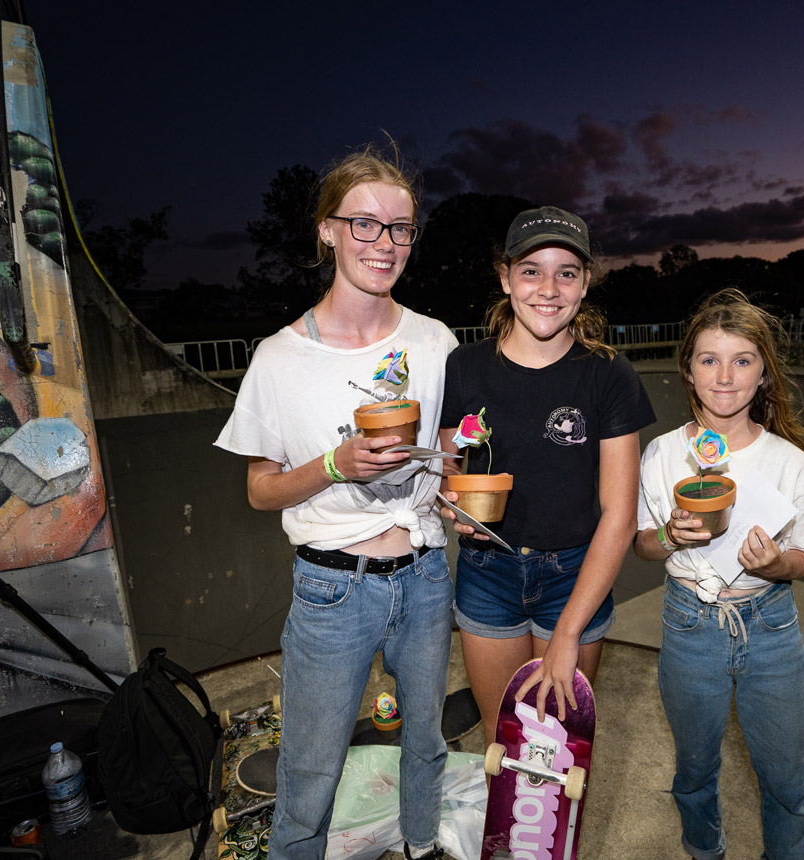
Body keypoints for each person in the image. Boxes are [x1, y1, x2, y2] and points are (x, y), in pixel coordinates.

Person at [215, 147, 457, 860]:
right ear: (327, 230)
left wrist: (458, 482)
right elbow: (260, 489)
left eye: (401, 228)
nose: (385, 244)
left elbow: (449, 456)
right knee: (312, 765)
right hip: (332, 590)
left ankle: (420, 845)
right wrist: (334, 465)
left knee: (426, 741)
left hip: (424, 576)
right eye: (365, 224)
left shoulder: (435, 342)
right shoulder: (278, 358)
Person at [633, 288, 804, 860]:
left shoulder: (790, 462)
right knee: (694, 771)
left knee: (786, 781)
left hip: (771, 628)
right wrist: (669, 536)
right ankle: (705, 851)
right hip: (688, 625)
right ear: (688, 370)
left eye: (742, 361)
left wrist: (777, 564)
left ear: (763, 374)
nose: (725, 377)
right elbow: (642, 546)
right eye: (709, 360)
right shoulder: (662, 454)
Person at [438, 205, 655, 741]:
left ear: (585, 284)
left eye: (567, 273)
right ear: (505, 277)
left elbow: (620, 515)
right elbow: (449, 468)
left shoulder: (609, 374)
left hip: (574, 578)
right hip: (488, 573)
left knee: (555, 747)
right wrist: (452, 503)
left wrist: (568, 631)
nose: (549, 289)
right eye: (531, 270)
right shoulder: (464, 366)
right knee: (503, 740)